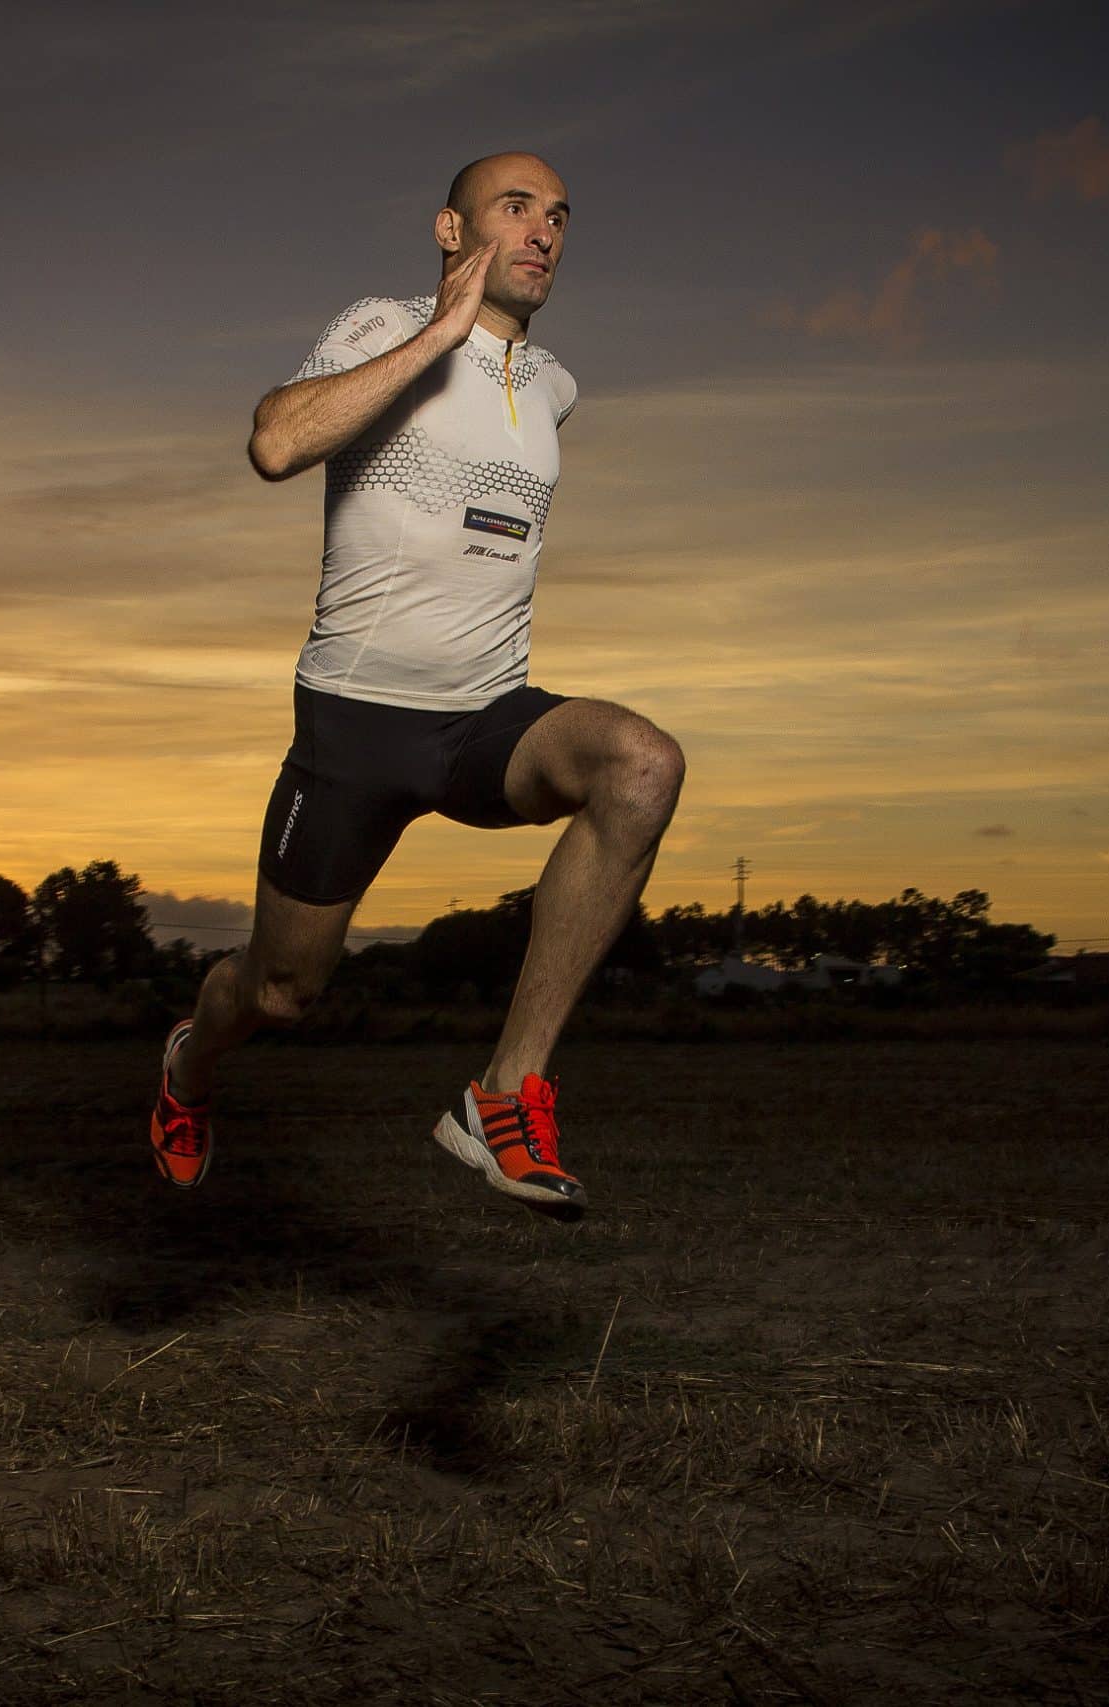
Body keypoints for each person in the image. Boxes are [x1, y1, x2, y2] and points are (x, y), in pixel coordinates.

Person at [149, 152, 683, 1222]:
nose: (543, 232)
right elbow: (275, 443)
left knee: (641, 764)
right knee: (281, 991)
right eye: (516, 208)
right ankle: (187, 1069)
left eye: (560, 217)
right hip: (354, 728)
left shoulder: (556, 387)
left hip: (485, 718)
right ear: (452, 231)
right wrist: (439, 336)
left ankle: (502, 1095)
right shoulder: (378, 325)